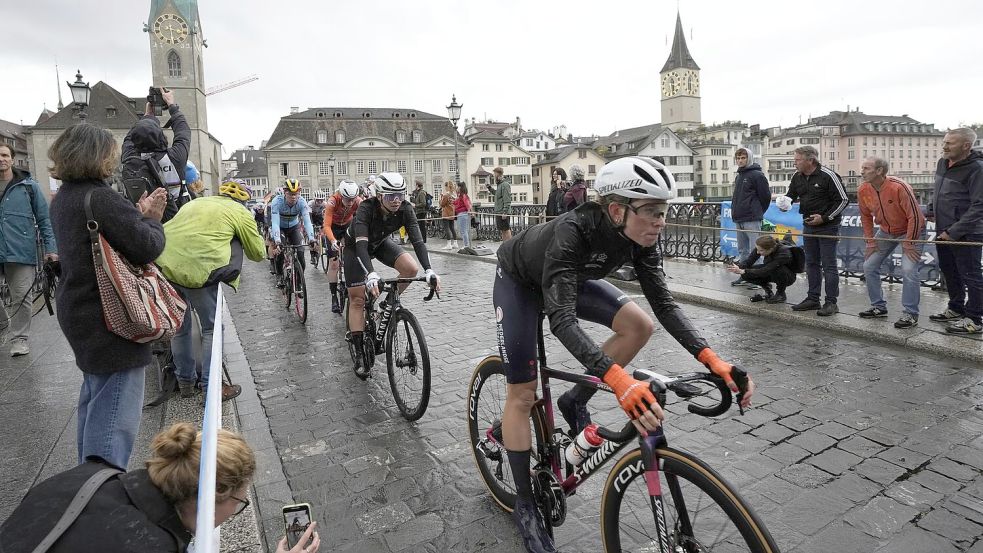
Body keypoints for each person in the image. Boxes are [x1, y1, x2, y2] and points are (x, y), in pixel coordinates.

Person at [494, 156, 754, 553]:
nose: (660, 221)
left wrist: (713, 360)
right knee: (524, 392)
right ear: (617, 210)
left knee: (640, 325)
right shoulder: (573, 230)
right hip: (520, 282)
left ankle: (573, 398)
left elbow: (664, 305)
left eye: (664, 212)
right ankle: (526, 504)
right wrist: (619, 382)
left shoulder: (642, 237)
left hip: (569, 278)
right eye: (651, 211)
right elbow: (561, 321)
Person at [0, 422, 318, 553]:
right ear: (214, 493)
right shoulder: (151, 544)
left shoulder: (91, 475)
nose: (237, 508)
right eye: (239, 502)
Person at [48, 123, 168, 470]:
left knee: (95, 399)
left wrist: (136, 217)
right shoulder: (100, 198)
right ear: (98, 156)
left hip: (80, 310)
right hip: (112, 316)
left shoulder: (64, 198)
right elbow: (146, 247)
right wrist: (152, 220)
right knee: (115, 411)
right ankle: (102, 488)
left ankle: (86, 478)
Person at [155, 179, 266, 402]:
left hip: (165, 266)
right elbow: (258, 253)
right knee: (211, 330)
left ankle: (185, 382)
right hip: (199, 272)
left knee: (180, 327)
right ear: (243, 200)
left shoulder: (195, 203)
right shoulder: (240, 212)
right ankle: (211, 387)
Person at [344, 172, 441, 373]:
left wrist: (429, 270)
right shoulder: (366, 209)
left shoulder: (405, 209)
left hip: (380, 243)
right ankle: (360, 352)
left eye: (400, 195)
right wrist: (371, 274)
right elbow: (362, 246)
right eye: (390, 196)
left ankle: (386, 304)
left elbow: (418, 241)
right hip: (356, 247)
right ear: (379, 196)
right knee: (358, 300)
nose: (396, 200)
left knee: (411, 268)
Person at [0, 143, 58, 357]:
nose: (1, 159)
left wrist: (51, 248)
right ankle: (4, 324)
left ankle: (19, 339)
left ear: (12, 159)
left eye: (5, 155)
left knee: (22, 296)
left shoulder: (28, 186)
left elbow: (44, 219)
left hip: (21, 249)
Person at [856, 157, 926, 329]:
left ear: (879, 171)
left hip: (911, 230)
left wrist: (909, 242)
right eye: (862, 168)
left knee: (909, 269)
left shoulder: (899, 187)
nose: (861, 172)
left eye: (866, 168)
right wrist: (870, 240)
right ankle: (878, 307)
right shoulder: (863, 189)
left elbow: (915, 216)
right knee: (869, 266)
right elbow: (865, 216)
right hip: (886, 231)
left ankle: (910, 314)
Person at [926, 128, 983, 334]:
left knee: (971, 275)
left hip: (967, 233)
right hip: (943, 229)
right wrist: (932, 209)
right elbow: (937, 190)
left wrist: (955, 231)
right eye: (944, 142)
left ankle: (975, 319)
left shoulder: (977, 168)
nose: (944, 146)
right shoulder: (943, 162)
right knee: (950, 271)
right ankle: (956, 308)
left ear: (966, 146)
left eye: (950, 143)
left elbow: (979, 205)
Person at [780, 145, 848, 316]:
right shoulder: (797, 176)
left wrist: (824, 218)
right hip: (808, 224)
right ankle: (813, 298)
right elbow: (791, 195)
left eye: (797, 160)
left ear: (810, 160)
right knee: (811, 263)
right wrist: (784, 203)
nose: (795, 163)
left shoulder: (828, 176)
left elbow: (843, 200)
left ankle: (831, 302)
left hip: (828, 226)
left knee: (829, 265)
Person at [120, 87, 190, 223]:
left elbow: (129, 139)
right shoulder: (175, 157)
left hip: (141, 222)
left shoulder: (129, 157)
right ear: (162, 137)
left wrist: (147, 116)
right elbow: (184, 132)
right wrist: (172, 106)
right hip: (174, 221)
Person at [729, 147, 771, 288]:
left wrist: (757, 211)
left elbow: (766, 197)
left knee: (757, 249)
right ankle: (745, 275)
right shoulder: (739, 175)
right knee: (743, 251)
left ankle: (759, 279)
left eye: (743, 158)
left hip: (752, 218)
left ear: (749, 158)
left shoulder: (757, 175)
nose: (740, 161)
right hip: (739, 218)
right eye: (738, 158)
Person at [323, 180, 363, 313]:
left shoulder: (358, 201)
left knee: (352, 255)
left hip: (347, 226)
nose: (351, 203)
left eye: (353, 199)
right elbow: (327, 226)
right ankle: (334, 296)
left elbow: (364, 218)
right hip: (332, 228)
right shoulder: (333, 201)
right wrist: (333, 241)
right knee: (333, 263)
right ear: (341, 195)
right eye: (347, 199)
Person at [270, 178, 316, 287]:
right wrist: (277, 241)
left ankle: (299, 282)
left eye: (296, 194)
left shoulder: (302, 202)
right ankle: (280, 275)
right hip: (280, 227)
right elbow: (275, 223)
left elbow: (307, 222)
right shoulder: (277, 202)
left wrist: (311, 238)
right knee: (280, 251)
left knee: (300, 253)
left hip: (294, 227)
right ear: (285, 193)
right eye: (290, 194)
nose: (293, 197)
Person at [726, 235, 797, 304]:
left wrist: (743, 271)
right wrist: (738, 267)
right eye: (757, 249)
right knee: (745, 275)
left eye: (761, 250)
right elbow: (749, 261)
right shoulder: (761, 247)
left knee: (778, 269)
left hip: (787, 276)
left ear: (771, 249)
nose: (757, 252)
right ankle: (768, 290)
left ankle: (781, 294)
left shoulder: (784, 254)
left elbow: (765, 270)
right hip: (770, 271)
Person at [486, 167, 513, 241]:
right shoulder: (500, 185)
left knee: (506, 230)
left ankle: (509, 247)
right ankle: (505, 246)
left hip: (503, 212)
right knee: (503, 230)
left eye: (494, 174)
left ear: (498, 174)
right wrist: (489, 188)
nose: (494, 176)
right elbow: (497, 194)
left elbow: (507, 199)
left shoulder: (505, 184)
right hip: (499, 211)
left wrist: (505, 212)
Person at [439, 180, 459, 250]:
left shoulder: (446, 195)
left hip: (446, 213)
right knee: (452, 228)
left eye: (445, 187)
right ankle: (455, 243)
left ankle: (449, 244)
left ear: (447, 187)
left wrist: (440, 198)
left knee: (447, 228)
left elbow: (442, 204)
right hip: (452, 213)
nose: (445, 188)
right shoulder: (454, 195)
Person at [454, 182, 473, 250]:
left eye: (457, 187)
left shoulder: (463, 196)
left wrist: (469, 211)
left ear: (460, 187)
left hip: (463, 214)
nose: (456, 188)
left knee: (463, 230)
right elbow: (456, 203)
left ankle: (466, 245)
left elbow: (467, 204)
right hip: (462, 214)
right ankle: (466, 245)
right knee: (464, 230)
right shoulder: (460, 196)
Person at [309, 197, 326, 264]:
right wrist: (311, 224)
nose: (319, 202)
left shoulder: (325, 204)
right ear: (315, 200)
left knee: (323, 234)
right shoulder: (311, 203)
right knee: (311, 236)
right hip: (312, 217)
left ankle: (324, 245)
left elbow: (326, 216)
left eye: (321, 200)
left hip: (320, 218)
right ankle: (312, 255)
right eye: (318, 200)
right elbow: (309, 216)